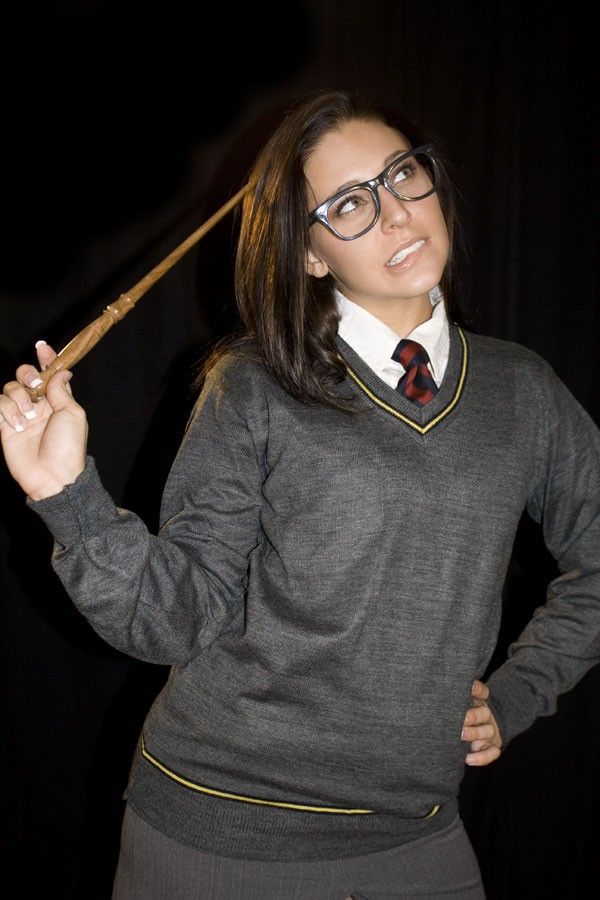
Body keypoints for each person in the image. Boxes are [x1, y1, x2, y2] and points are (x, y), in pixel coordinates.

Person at [1, 88, 598, 900]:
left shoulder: (523, 390)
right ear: (310, 254)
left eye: (402, 174)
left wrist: (521, 692)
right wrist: (67, 493)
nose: (395, 213)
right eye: (349, 203)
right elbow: (178, 618)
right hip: (218, 832)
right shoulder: (252, 384)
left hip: (416, 829)